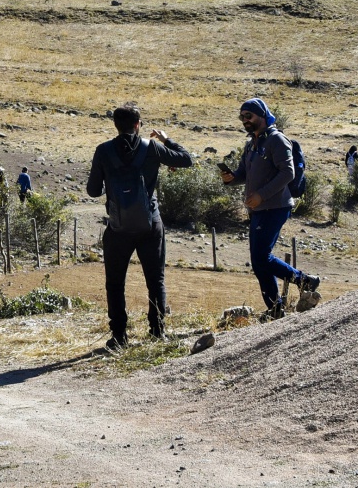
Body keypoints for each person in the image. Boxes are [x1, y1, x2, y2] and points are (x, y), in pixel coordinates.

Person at [86, 103, 195, 352]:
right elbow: (187, 160)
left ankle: (119, 337)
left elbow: (93, 191)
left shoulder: (103, 150)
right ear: (138, 125)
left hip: (118, 227)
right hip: (150, 224)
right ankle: (157, 332)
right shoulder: (152, 148)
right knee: (155, 281)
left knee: (115, 283)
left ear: (116, 125)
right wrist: (167, 141)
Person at [221, 98, 321, 321]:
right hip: (258, 209)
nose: (245, 121)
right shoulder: (251, 144)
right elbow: (242, 174)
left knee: (261, 257)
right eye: (242, 117)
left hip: (275, 207)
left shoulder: (277, 140)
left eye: (249, 116)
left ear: (263, 115)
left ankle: (304, 280)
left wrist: (261, 195)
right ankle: (275, 308)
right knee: (258, 261)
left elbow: (288, 173)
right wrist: (232, 178)